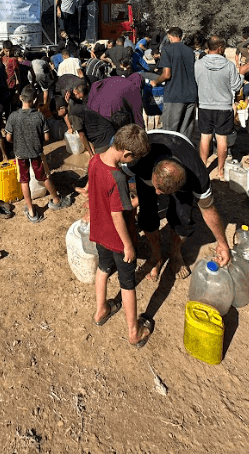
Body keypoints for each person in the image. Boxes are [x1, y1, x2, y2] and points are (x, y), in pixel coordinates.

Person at [126, 129, 231, 280]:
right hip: (150, 156)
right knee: (147, 215)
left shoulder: (198, 175)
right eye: (156, 186)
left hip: (182, 159)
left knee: (182, 217)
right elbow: (115, 176)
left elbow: (208, 209)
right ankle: (156, 256)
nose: (157, 192)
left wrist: (223, 243)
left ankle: (175, 253)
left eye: (161, 191)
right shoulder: (138, 159)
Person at [88, 124, 154, 346]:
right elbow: (118, 215)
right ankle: (134, 332)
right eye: (132, 158)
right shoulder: (117, 178)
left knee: (103, 269)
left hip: (99, 233)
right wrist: (128, 245)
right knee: (127, 283)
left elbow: (99, 196)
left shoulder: (94, 161)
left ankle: (101, 311)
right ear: (126, 154)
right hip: (118, 240)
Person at [5, 85, 72, 223]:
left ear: (20, 98)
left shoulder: (13, 116)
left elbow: (8, 138)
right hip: (36, 152)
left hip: (20, 153)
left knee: (24, 180)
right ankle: (56, 199)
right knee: (43, 176)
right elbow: (47, 138)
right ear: (35, 100)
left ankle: (31, 211)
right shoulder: (39, 116)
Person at [194, 35, 243, 179]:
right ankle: (220, 170)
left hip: (205, 105)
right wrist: (241, 74)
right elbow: (236, 86)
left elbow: (196, 82)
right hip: (224, 107)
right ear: (220, 48)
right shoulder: (229, 65)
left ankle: (203, 167)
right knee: (222, 139)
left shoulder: (198, 64)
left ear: (208, 47)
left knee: (204, 137)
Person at [150, 27, 197, 140]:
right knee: (186, 134)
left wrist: (155, 82)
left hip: (175, 95)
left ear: (169, 36)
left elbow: (166, 74)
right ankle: (183, 156)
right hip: (191, 95)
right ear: (181, 36)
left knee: (170, 133)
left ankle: (170, 156)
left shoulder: (167, 50)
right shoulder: (190, 51)